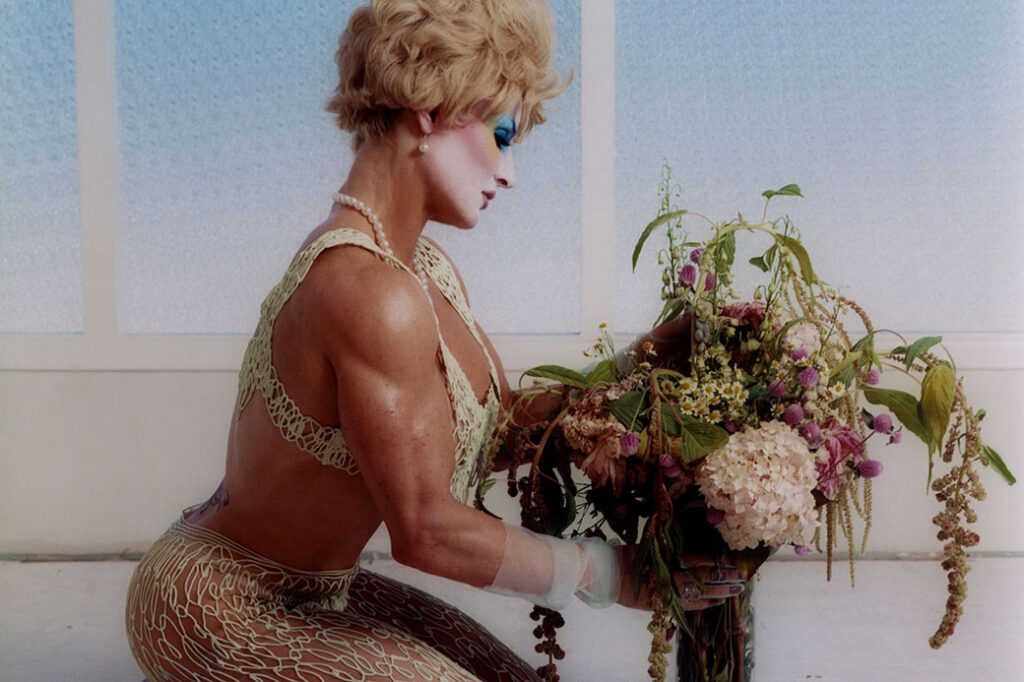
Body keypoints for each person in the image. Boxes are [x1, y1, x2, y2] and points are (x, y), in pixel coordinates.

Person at [125, 1, 744, 680]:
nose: (509, 171)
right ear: (433, 109)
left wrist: (654, 359)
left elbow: (506, 434)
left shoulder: (426, 273)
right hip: (213, 605)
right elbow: (425, 530)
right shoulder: (366, 292)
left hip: (324, 591)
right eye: (502, 134)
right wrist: (611, 576)